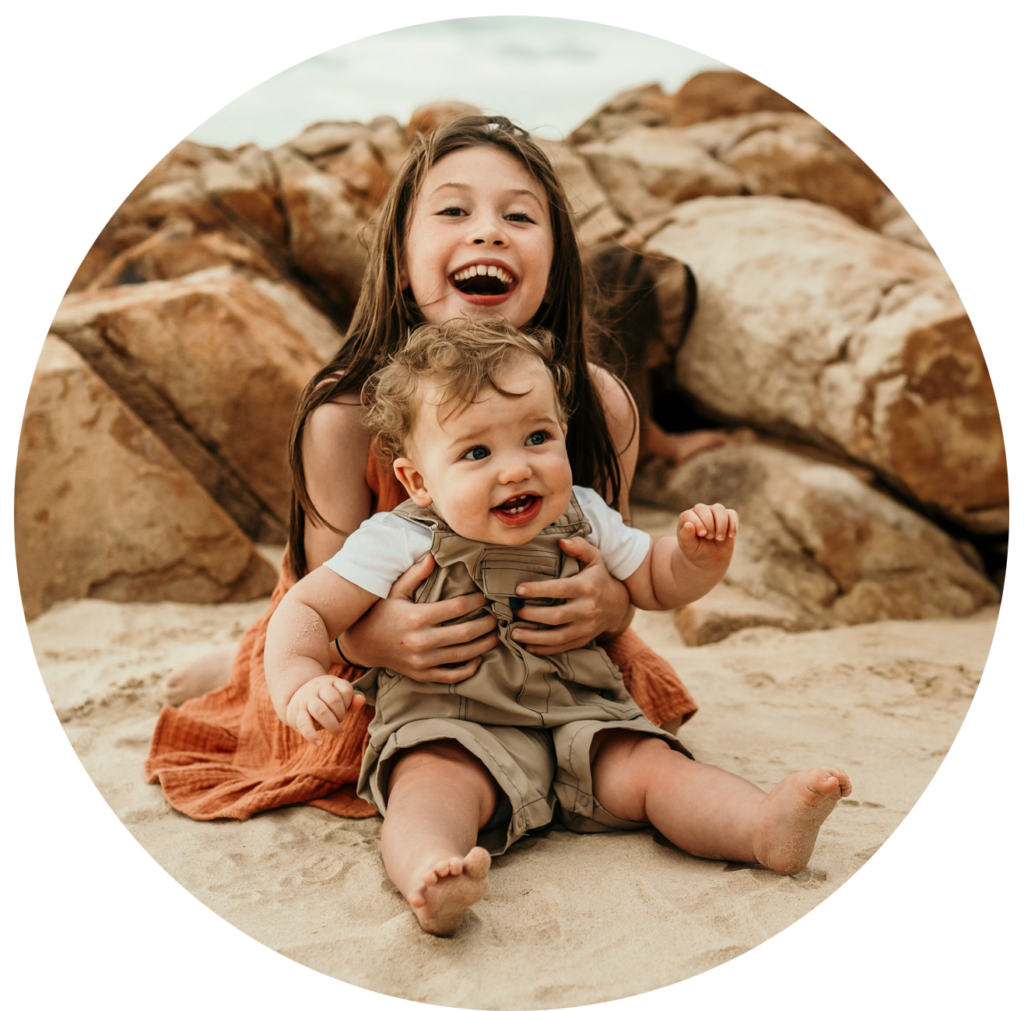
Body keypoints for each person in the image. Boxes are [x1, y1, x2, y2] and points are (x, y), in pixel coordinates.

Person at [147, 115, 698, 827]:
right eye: (454, 210)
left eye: (519, 215)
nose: (489, 231)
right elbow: (323, 597)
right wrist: (376, 639)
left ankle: (245, 652)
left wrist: (613, 603)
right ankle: (247, 656)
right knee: (298, 692)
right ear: (402, 262)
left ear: (556, 262)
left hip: (550, 658)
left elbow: (622, 564)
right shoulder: (343, 418)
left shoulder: (603, 407)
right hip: (375, 641)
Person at [265, 319, 852, 936]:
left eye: (537, 437)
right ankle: (432, 873)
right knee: (429, 787)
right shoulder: (398, 537)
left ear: (564, 434)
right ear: (418, 481)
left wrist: (694, 562)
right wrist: (298, 679)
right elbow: (307, 609)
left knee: (654, 769)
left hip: (580, 711)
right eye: (476, 452)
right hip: (453, 719)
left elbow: (650, 579)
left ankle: (761, 827)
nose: (516, 469)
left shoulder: (585, 512)